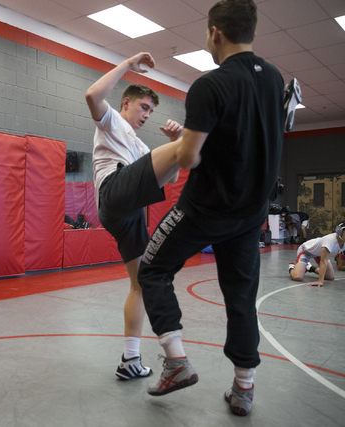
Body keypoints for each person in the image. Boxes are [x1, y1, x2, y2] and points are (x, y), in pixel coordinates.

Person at [137, 0, 289, 416]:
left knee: (152, 268)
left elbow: (188, 159)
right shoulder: (274, 78)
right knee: (241, 297)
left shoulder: (209, 85)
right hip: (251, 212)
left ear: (215, 33)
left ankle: (176, 362)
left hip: (206, 208)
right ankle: (244, 388)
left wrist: (185, 140)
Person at [85, 53, 183, 381]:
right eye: (144, 107)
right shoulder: (111, 120)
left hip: (128, 215)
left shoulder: (139, 145)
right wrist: (127, 64)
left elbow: (169, 180)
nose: (147, 114)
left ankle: (131, 359)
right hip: (115, 194)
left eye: (151, 111)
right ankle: (193, 141)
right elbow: (92, 95)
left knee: (140, 282)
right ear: (126, 103)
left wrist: (173, 147)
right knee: (178, 150)